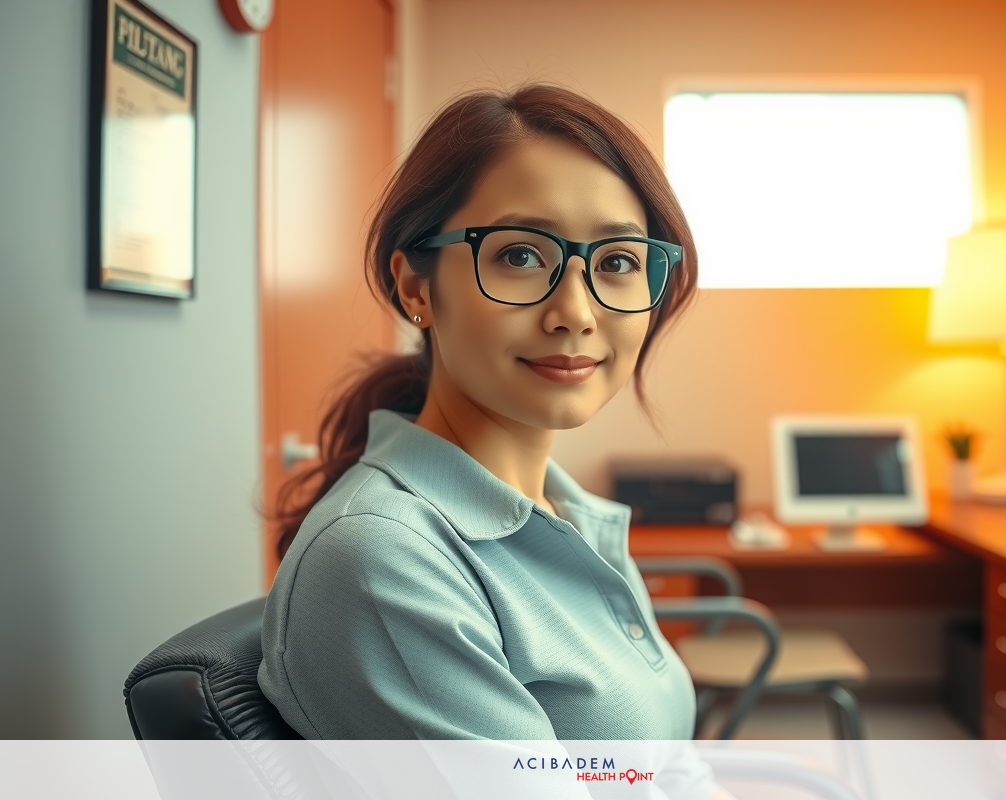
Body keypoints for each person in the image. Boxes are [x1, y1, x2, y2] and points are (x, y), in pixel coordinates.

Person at [258, 84, 729, 799]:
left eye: (618, 262)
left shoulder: (574, 518)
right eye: (519, 256)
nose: (575, 313)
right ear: (416, 285)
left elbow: (668, 765)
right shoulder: (385, 558)